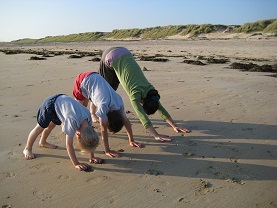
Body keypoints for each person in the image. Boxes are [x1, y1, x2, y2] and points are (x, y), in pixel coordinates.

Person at [99, 47, 191, 142]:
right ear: (143, 102)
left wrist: (174, 125)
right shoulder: (135, 94)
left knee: (114, 82)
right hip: (109, 55)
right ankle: (94, 114)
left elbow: (160, 108)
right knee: (105, 90)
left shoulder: (151, 91)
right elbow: (142, 117)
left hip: (125, 52)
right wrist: (155, 134)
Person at [23, 94, 101, 171]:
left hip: (62, 104)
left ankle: (43, 142)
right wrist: (76, 163)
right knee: (40, 128)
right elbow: (69, 145)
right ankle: (27, 149)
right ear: (79, 135)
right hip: (51, 105)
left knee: (51, 126)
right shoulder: (72, 121)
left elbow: (91, 140)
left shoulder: (88, 120)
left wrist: (92, 156)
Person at [73, 72, 142, 158]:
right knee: (79, 112)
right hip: (82, 80)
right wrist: (107, 150)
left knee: (87, 101)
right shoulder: (103, 106)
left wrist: (131, 140)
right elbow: (103, 129)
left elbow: (126, 121)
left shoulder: (118, 102)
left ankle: (90, 111)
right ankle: (70, 128)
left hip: (95, 76)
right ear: (107, 119)